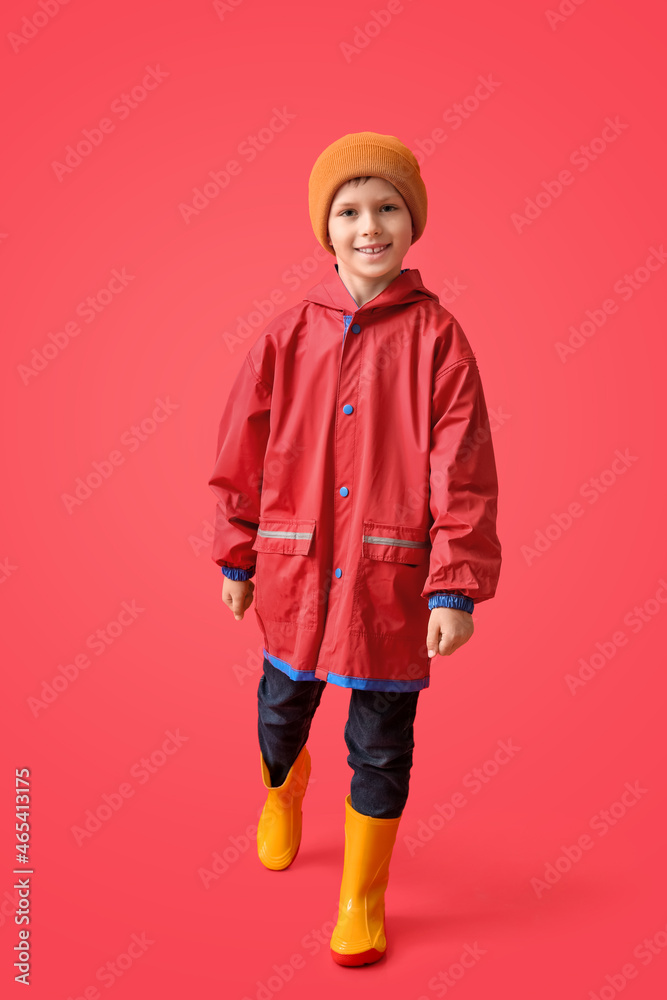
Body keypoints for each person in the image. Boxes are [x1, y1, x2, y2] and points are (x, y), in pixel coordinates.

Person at [208, 131, 502, 966]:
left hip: (391, 583)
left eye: (385, 209)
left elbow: (463, 467)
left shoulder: (438, 338)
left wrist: (454, 587)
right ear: (324, 229)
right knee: (279, 710)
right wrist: (237, 556)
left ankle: (360, 899)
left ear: (411, 226)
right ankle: (282, 789)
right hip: (294, 572)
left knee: (380, 741)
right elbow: (241, 448)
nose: (367, 226)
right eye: (348, 211)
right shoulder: (288, 333)